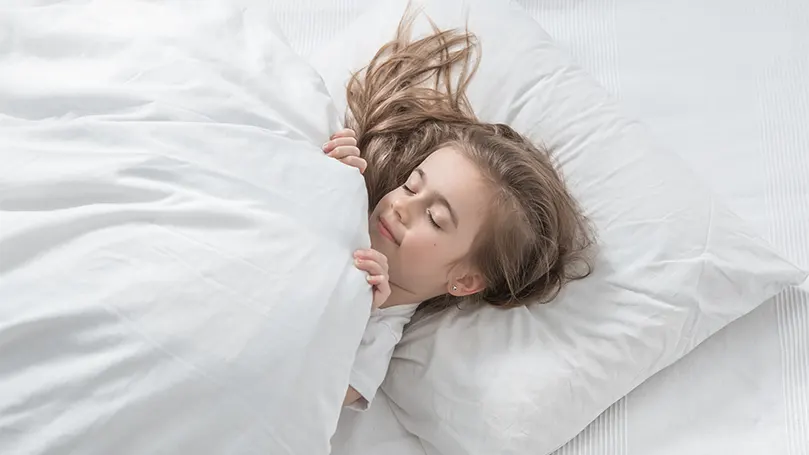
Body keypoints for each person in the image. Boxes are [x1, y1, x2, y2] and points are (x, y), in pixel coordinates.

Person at [321, 15, 594, 409]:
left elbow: (313, 400)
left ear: (465, 280)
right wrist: (321, 176)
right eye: (413, 185)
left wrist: (353, 309)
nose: (401, 206)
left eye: (435, 218)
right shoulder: (343, 189)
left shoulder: (374, 337)